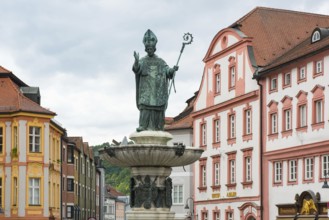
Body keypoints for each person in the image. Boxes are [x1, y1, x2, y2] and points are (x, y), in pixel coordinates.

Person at [133, 29, 178, 132]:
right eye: (148, 48)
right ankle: (143, 126)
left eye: (151, 48)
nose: (149, 50)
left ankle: (158, 126)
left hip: (158, 91)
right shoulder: (142, 61)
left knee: (158, 107)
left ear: (154, 48)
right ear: (145, 49)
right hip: (146, 91)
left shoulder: (160, 61)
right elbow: (136, 69)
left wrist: (172, 70)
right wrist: (136, 61)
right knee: (145, 107)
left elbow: (167, 70)